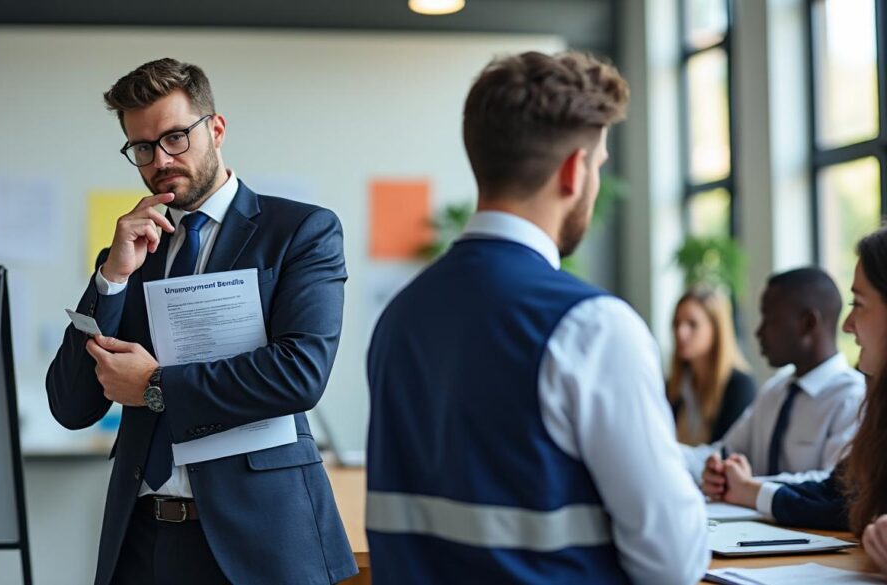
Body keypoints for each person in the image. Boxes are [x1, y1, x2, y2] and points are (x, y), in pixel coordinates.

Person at [365, 51, 709, 585]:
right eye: (598, 165)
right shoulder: (592, 326)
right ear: (575, 170)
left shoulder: (400, 317)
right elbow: (674, 562)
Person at [45, 58, 357, 585]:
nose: (160, 159)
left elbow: (300, 373)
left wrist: (155, 386)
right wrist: (111, 278)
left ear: (215, 129)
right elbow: (72, 406)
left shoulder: (300, 231)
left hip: (262, 540)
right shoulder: (130, 252)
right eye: (142, 148)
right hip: (143, 543)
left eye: (175, 138)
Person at [718, 228, 887, 540]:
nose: (847, 325)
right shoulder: (878, 405)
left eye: (858, 304)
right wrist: (744, 487)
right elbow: (839, 491)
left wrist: (751, 489)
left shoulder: (850, 395)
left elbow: (841, 503)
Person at [681, 268, 863, 490]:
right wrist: (712, 469)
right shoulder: (774, 391)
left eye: (770, 319)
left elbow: (831, 488)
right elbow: (725, 452)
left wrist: (747, 486)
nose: (759, 332)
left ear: (808, 324)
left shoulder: (853, 398)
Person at [667, 286, 755, 445]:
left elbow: (726, 454)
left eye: (692, 324)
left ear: (716, 329)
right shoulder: (673, 387)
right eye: (676, 323)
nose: (680, 332)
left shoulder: (739, 387)